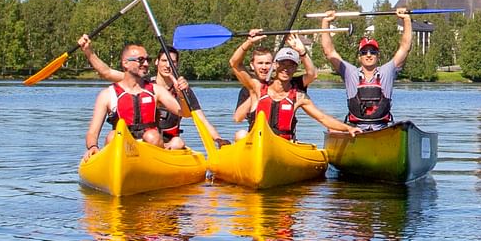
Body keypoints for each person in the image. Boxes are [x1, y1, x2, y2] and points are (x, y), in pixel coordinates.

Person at [79, 39, 226, 161]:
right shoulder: (108, 94)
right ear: (125, 63)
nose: (145, 63)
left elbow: (187, 113)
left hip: (153, 146)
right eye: (140, 60)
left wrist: (181, 94)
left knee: (154, 136)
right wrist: (93, 147)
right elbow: (92, 132)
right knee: (113, 135)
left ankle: (159, 161)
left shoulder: (156, 90)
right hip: (122, 147)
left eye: (147, 60)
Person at [229, 32, 360, 141]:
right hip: (258, 142)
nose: (286, 69)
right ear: (275, 66)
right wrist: (249, 42)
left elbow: (322, 118)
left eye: (291, 65)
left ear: (295, 68)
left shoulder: (298, 96)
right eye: (282, 64)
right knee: (241, 135)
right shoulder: (257, 88)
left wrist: (347, 128)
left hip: (283, 145)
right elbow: (234, 63)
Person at [319, 8, 412, 130]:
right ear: (359, 57)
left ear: (378, 56)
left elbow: (405, 47)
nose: (368, 55)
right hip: (356, 129)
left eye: (373, 52)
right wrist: (326, 22)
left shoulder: (387, 71)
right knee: (331, 129)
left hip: (382, 129)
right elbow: (329, 52)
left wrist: (406, 20)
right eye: (364, 52)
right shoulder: (349, 72)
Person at [232, 29, 317, 129]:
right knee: (240, 135)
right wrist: (257, 93)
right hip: (258, 136)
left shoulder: (289, 82)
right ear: (252, 65)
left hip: (282, 138)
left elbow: (312, 75)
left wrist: (302, 52)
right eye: (260, 63)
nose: (264, 67)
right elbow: (238, 118)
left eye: (267, 63)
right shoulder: (249, 87)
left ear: (274, 65)